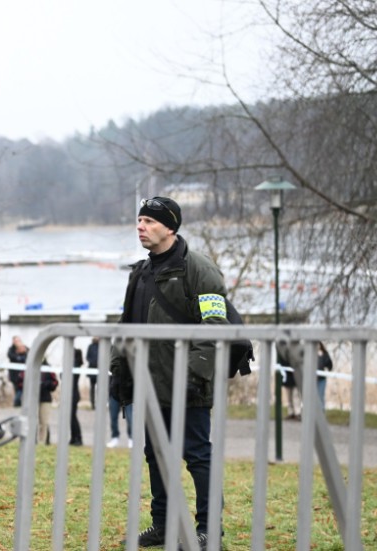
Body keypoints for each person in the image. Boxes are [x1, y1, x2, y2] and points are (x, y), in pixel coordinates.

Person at [109, 197, 226, 550]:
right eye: (139, 220)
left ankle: (209, 528)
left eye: (148, 221)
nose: (140, 227)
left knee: (197, 455)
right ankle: (163, 525)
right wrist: (120, 368)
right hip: (148, 384)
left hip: (188, 384)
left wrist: (195, 376)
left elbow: (215, 325)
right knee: (156, 455)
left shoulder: (199, 269)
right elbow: (127, 324)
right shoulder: (141, 272)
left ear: (170, 227)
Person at [7, 336, 28, 407]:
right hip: (14, 374)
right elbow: (12, 357)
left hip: (24, 374)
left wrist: (23, 353)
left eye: (18, 340)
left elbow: (30, 357)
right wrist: (20, 356)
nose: (17, 342)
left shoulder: (26, 348)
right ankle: (17, 404)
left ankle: (20, 404)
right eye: (15, 341)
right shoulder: (11, 350)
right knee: (18, 390)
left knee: (23, 389)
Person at [69, 348, 83, 446]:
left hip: (73, 393)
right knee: (70, 417)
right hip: (71, 393)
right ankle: (73, 437)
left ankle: (78, 437)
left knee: (73, 416)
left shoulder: (75, 365)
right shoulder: (73, 365)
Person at [316, 342, 332, 407]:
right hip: (312, 379)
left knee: (320, 396)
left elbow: (329, 365)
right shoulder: (310, 353)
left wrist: (322, 357)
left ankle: (321, 414)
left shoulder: (324, 354)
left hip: (321, 379)